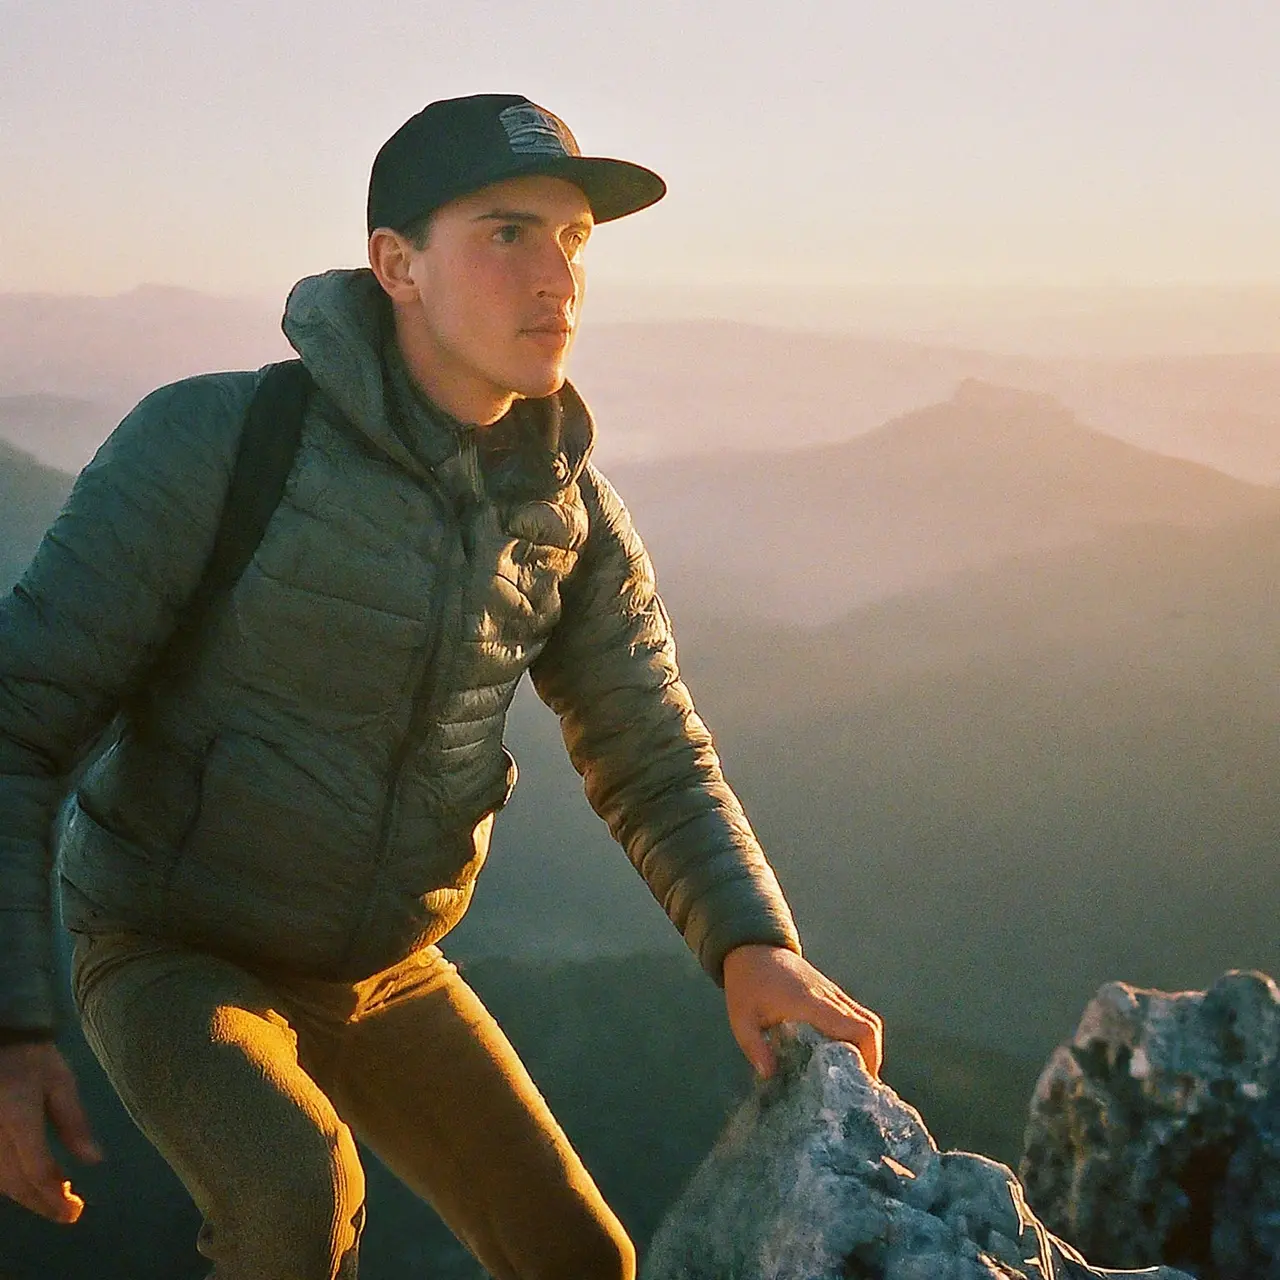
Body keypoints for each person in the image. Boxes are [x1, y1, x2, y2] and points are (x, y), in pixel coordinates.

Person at [0, 93, 882, 1279]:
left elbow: (651, 749)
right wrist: (9, 1026)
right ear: (394, 264)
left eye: (573, 240)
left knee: (580, 1256)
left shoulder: (569, 515)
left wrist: (751, 941)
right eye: (506, 232)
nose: (555, 275)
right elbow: (19, 723)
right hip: (170, 943)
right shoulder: (214, 441)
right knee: (292, 1189)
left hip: (382, 968)